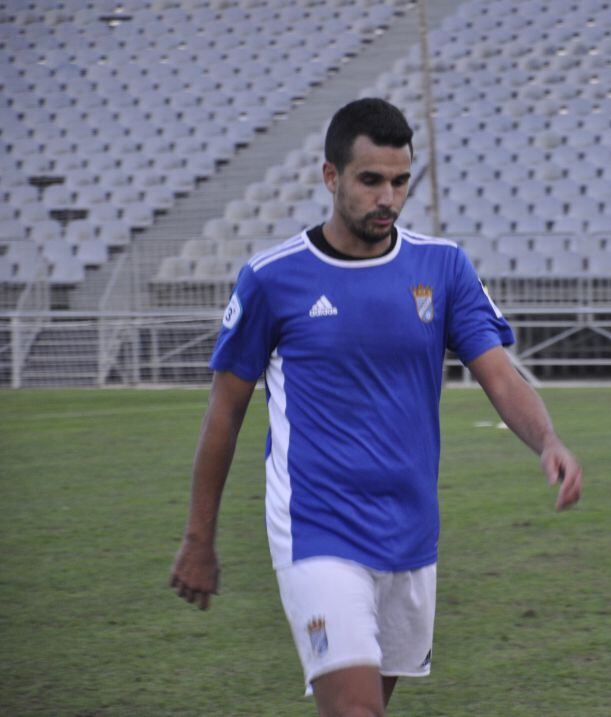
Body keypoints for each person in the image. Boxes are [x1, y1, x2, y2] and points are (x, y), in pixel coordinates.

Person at [168, 98, 583, 717]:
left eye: (399, 181)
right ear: (331, 176)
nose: (387, 197)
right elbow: (223, 415)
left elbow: (497, 373)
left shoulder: (441, 267)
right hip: (318, 527)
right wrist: (199, 538)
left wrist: (548, 439)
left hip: (411, 531)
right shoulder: (272, 279)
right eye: (370, 180)